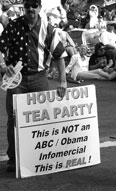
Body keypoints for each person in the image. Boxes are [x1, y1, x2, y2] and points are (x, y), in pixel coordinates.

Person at [0, 0, 67, 172]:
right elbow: (0, 49)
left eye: (34, 5)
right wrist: (2, 65)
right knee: (14, 120)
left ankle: (39, 157)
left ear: (40, 7)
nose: (31, 8)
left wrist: (63, 81)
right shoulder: (13, 26)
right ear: (23, 7)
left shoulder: (48, 28)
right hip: (16, 79)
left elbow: (59, 55)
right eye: (28, 5)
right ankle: (13, 159)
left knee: (41, 119)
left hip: (39, 78)